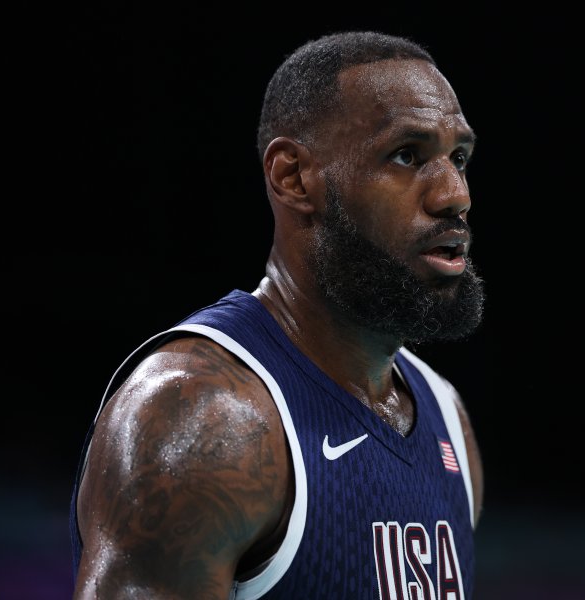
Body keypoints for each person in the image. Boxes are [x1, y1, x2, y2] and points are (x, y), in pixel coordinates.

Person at [70, 30, 486, 599]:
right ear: (293, 177)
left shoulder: (448, 420)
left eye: (458, 157)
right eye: (406, 155)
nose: (453, 194)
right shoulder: (203, 420)